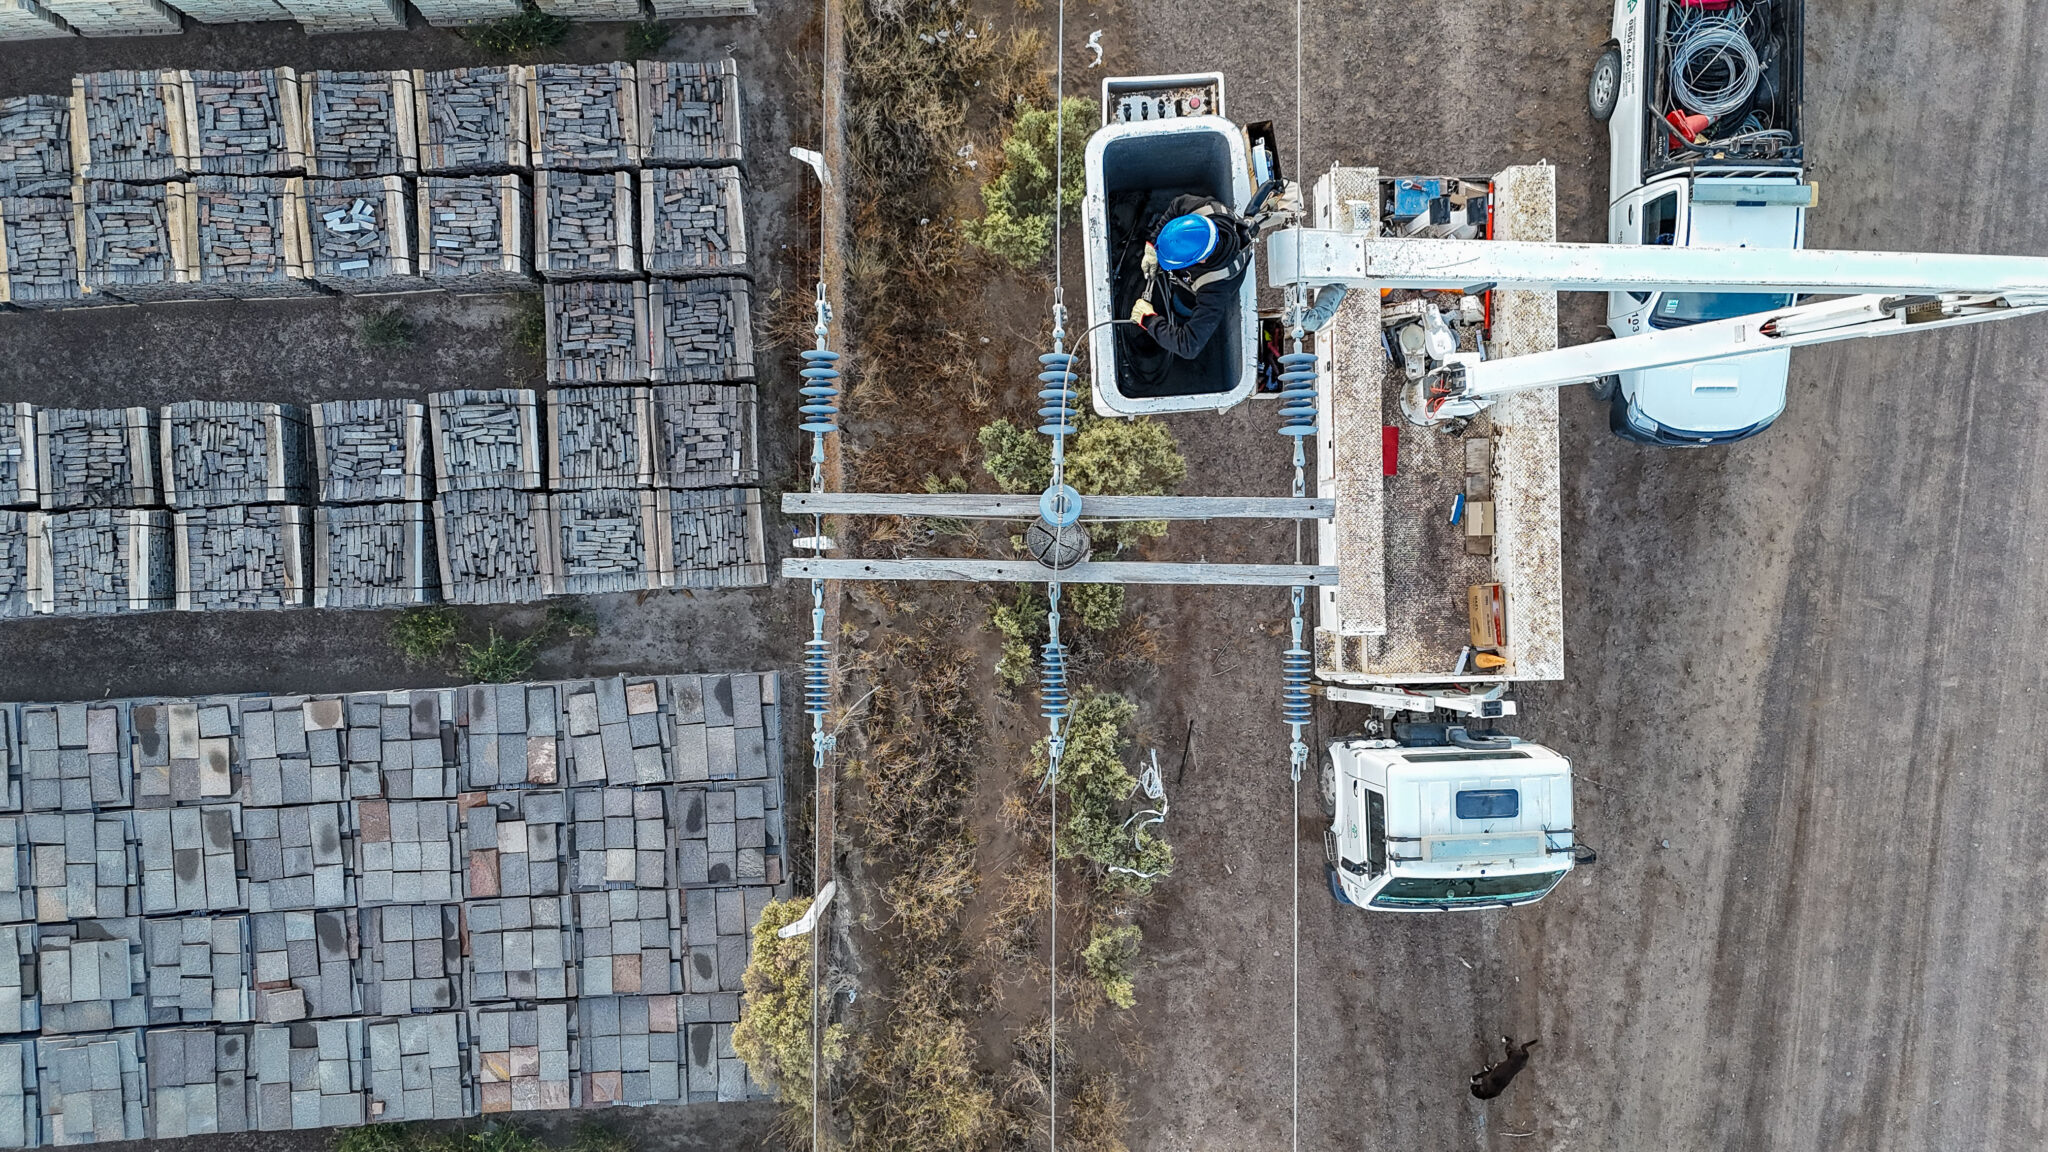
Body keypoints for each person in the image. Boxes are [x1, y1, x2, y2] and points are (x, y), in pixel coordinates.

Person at [1128, 194, 1257, 359]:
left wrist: (1149, 321)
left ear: (1201, 260)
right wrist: (1153, 246)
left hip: (1189, 301)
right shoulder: (1206, 210)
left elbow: (1189, 345)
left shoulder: (1216, 288)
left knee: (1181, 308)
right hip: (1181, 285)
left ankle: (1177, 316)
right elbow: (1177, 205)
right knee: (1175, 301)